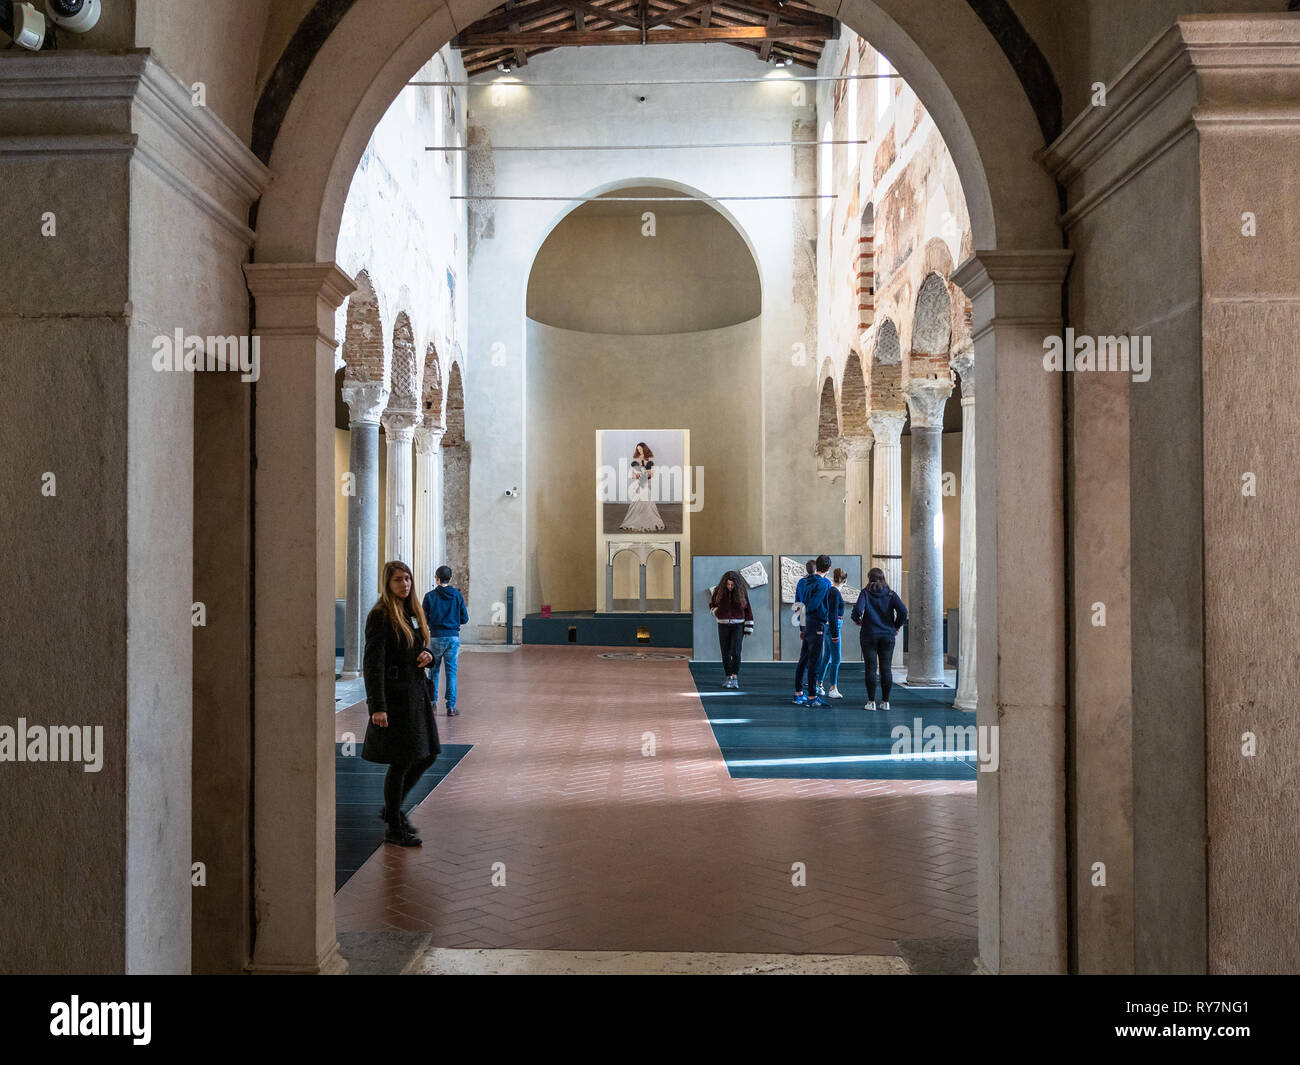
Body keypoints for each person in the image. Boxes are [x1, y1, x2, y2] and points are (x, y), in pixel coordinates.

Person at [363, 560, 441, 847]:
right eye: (398, 580)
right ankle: (394, 826)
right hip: (395, 700)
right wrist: (378, 707)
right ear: (387, 583)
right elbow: (373, 664)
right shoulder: (381, 615)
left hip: (416, 695)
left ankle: (391, 810)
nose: (404, 584)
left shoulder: (412, 612)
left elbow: (420, 646)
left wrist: (428, 654)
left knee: (429, 753)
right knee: (402, 761)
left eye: (407, 578)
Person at [850, 567, 908, 711]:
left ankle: (871, 702)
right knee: (886, 669)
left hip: (869, 634)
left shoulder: (865, 593)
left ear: (869, 578)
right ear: (882, 578)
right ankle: (885, 702)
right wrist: (896, 626)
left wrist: (857, 620)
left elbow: (857, 610)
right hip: (887, 635)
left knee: (870, 668)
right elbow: (903, 611)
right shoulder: (891, 594)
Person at [422, 564, 469, 717]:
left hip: (436, 636)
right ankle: (451, 707)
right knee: (451, 672)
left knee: (433, 671)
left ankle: (432, 703)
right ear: (450, 578)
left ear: (437, 578)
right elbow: (465, 618)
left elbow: (423, 618)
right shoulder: (457, 595)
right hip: (453, 637)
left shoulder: (430, 596)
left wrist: (432, 623)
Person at [794, 555, 838, 707]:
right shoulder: (824, 583)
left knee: (804, 659)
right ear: (828, 569)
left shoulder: (804, 581)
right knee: (814, 661)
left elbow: (800, 604)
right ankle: (812, 696)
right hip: (816, 625)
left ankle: (799, 692)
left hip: (807, 625)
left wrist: (802, 625)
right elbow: (813, 604)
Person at [709, 571, 754, 689]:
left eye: (732, 585)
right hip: (723, 625)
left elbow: (748, 610)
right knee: (725, 652)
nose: (730, 587)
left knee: (736, 651)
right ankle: (728, 676)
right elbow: (712, 604)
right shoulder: (718, 591)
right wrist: (716, 612)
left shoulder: (742, 592)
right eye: (728, 584)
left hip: (738, 626)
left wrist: (748, 628)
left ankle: (735, 677)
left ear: (736, 585)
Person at [818, 568, 849, 698]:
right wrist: (835, 634)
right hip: (833, 627)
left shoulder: (831, 591)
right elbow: (832, 614)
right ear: (844, 581)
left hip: (830, 626)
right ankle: (832, 688)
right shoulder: (835, 592)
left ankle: (818, 684)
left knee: (827, 657)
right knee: (836, 659)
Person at [620, 441, 665, 531]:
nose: (639, 450)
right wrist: (636, 475)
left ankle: (648, 519)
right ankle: (636, 518)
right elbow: (633, 472)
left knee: (647, 500)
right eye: (638, 449)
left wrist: (645, 475)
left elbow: (651, 473)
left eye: (640, 448)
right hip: (638, 482)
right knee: (637, 500)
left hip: (646, 482)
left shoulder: (650, 459)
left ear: (644, 448)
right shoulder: (636, 458)